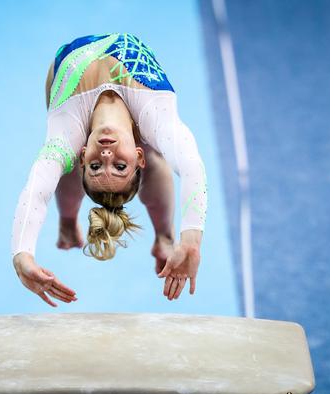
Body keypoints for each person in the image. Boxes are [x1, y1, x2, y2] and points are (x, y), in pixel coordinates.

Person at [11, 33, 207, 307]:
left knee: (63, 160)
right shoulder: (155, 110)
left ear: (85, 159)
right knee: (155, 151)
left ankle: (69, 223)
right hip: (137, 106)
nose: (106, 154)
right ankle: (165, 236)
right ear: (137, 157)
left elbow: (37, 188)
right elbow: (191, 165)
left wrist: (22, 253)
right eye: (119, 165)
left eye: (95, 165)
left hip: (64, 71)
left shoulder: (66, 129)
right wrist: (191, 240)